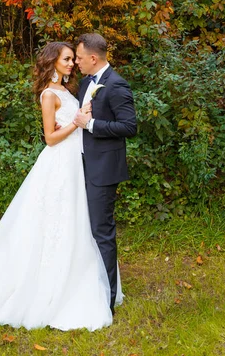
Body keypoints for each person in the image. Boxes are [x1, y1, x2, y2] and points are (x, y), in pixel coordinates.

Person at [0, 41, 121, 331]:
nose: (72, 63)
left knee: (76, 220)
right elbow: (50, 137)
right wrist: (77, 123)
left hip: (75, 162)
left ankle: (77, 277)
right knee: (53, 219)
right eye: (67, 59)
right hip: (59, 162)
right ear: (53, 61)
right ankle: (42, 287)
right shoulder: (48, 94)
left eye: (73, 59)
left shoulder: (67, 91)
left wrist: (77, 120)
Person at [73, 33, 137, 315]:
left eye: (79, 58)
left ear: (93, 58)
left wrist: (92, 125)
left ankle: (107, 299)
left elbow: (129, 127)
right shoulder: (86, 83)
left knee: (102, 232)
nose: (76, 62)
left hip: (103, 171)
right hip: (80, 167)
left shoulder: (117, 86)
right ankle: (87, 286)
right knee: (84, 229)